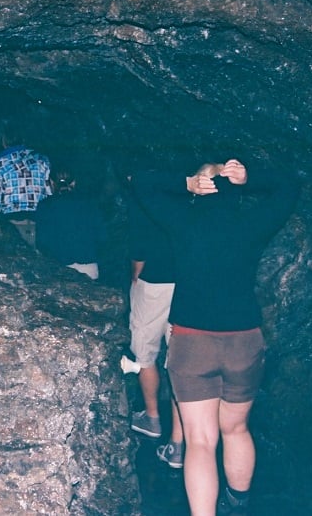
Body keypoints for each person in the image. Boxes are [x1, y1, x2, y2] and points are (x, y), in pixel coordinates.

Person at [132, 158, 300, 516]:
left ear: (201, 187)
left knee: (200, 441)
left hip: (193, 343)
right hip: (243, 340)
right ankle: (237, 506)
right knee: (236, 429)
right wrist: (251, 177)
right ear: (232, 188)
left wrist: (184, 183)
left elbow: (142, 181)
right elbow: (290, 185)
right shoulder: (253, 223)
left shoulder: (182, 219)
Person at [126, 178, 186, 469]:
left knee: (145, 352)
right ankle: (177, 443)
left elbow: (140, 248)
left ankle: (152, 418)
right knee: (179, 361)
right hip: (187, 286)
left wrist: (135, 280)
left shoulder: (147, 200)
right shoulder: (192, 202)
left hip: (154, 282)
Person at [34, 168, 106, 280]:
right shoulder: (90, 204)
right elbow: (102, 237)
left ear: (52, 183)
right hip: (88, 265)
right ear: (74, 182)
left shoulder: (45, 206)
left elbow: (41, 241)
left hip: (58, 267)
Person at [0, 122, 52, 223]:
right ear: (23, 140)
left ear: (4, 141)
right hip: (38, 214)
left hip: (12, 218)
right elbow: (48, 191)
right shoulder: (42, 160)